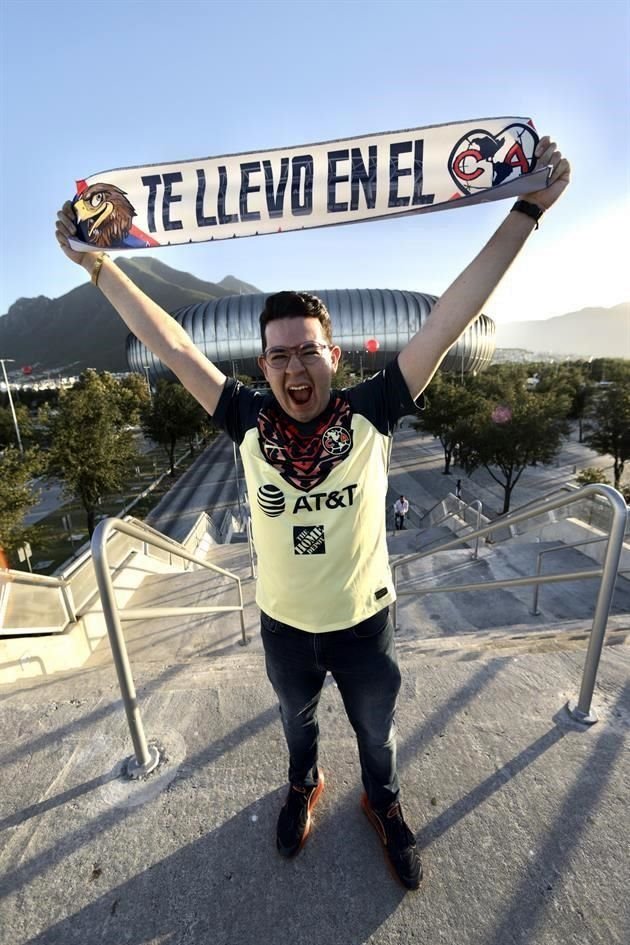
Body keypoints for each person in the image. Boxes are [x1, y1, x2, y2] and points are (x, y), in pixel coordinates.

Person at [55, 136, 570, 890]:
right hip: (283, 625)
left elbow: (454, 310)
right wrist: (98, 264)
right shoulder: (245, 418)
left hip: (366, 622)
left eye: (307, 352)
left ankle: (383, 802)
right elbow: (166, 341)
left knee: (378, 732)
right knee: (297, 726)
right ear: (261, 365)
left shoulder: (375, 409)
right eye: (279, 356)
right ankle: (304, 784)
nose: (294, 369)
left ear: (335, 355)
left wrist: (529, 209)